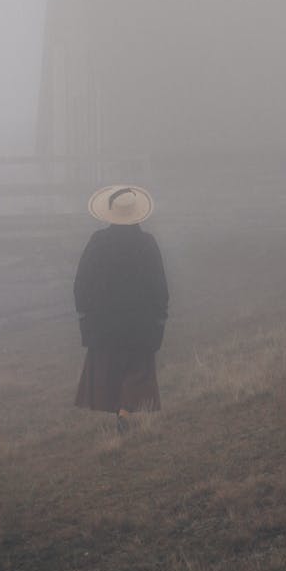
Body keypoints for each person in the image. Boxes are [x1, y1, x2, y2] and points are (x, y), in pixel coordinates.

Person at [73, 184, 169, 432]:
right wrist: (160, 316)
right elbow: (158, 282)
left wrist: (84, 311)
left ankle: (121, 412)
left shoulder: (98, 242)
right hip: (141, 322)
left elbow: (82, 280)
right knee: (137, 369)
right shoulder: (147, 243)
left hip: (104, 323)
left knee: (110, 369)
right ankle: (125, 411)